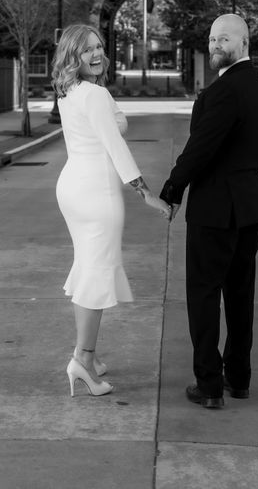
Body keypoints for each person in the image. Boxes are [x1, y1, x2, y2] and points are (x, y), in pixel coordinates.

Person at [160, 13, 258, 409]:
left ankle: (209, 384)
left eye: (223, 39)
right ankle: (238, 378)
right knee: (240, 293)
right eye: (212, 39)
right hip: (251, 207)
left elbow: (201, 148)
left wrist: (173, 187)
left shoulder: (224, 91)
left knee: (204, 293)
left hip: (215, 210)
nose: (215, 45)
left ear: (244, 43)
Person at [53, 23, 170, 398]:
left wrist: (115, 119)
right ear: (73, 56)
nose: (97, 53)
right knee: (96, 274)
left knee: (88, 268)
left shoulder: (70, 91)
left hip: (72, 187)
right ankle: (83, 361)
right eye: (87, 49)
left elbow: (111, 123)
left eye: (99, 46)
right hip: (96, 192)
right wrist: (145, 192)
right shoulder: (96, 95)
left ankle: (86, 353)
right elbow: (116, 145)